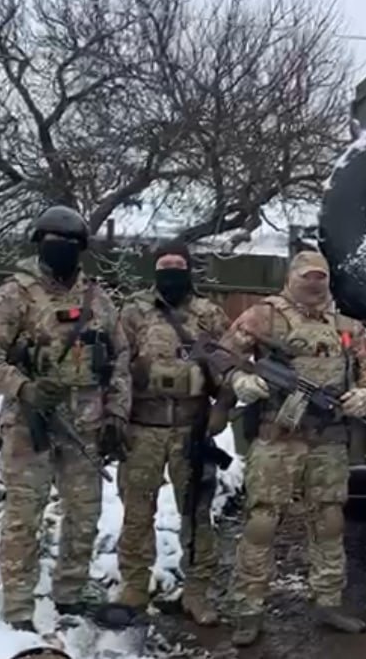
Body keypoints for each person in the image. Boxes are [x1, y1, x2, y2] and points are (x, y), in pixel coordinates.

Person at [0, 205, 131, 632]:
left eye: (70, 243)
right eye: (53, 242)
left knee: (84, 514)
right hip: (30, 424)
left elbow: (120, 359)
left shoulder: (98, 298)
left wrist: (117, 411)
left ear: (81, 248)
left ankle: (70, 592)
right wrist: (24, 388)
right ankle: (18, 607)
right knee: (24, 517)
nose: (61, 249)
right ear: (40, 244)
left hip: (86, 424)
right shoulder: (14, 294)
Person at [220, 250, 366, 646]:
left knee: (329, 521)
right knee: (262, 522)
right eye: (306, 276)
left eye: (320, 277)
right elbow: (222, 355)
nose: (313, 283)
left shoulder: (346, 326)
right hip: (278, 436)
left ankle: (328, 601)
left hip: (328, 440)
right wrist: (240, 381)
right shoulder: (264, 316)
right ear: (291, 278)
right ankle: (248, 609)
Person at [115, 240, 230, 625]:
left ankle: (196, 592)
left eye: (178, 266)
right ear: (154, 271)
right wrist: (115, 416)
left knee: (196, 513)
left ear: (189, 270)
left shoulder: (208, 314)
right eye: (164, 266)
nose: (171, 273)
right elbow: (116, 367)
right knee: (136, 510)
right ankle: (134, 586)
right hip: (142, 429)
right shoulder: (134, 312)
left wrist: (221, 409)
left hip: (190, 429)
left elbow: (230, 367)